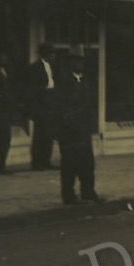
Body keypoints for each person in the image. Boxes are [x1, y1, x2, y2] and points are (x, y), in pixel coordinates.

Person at [55, 45, 100, 204]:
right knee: (69, 164)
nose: (80, 64)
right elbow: (62, 106)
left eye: (81, 61)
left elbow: (89, 104)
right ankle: (68, 194)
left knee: (87, 162)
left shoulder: (84, 80)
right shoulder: (63, 81)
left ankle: (88, 191)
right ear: (70, 62)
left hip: (83, 129)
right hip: (70, 130)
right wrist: (70, 121)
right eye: (76, 61)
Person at [25, 42, 58, 170]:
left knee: (49, 134)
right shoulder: (35, 68)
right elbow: (32, 88)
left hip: (51, 102)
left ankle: (46, 160)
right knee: (40, 134)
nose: (53, 56)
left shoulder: (53, 67)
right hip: (41, 103)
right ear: (46, 54)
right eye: (51, 53)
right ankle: (36, 161)